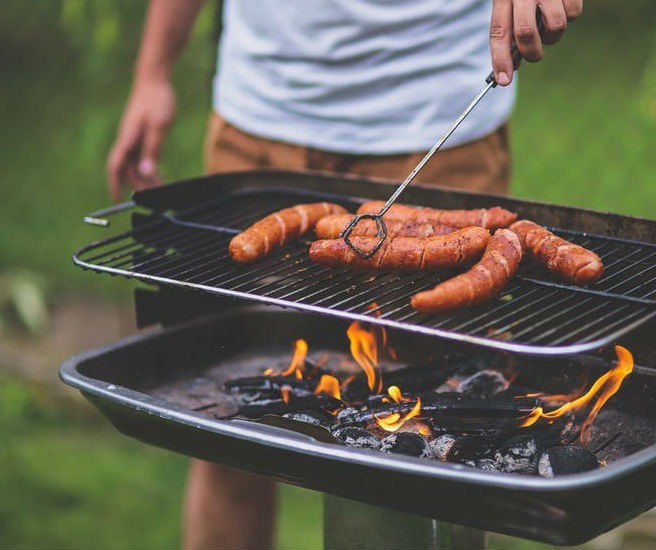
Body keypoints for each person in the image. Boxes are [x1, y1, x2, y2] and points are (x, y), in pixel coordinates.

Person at [106, 1, 582, 548]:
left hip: (440, 127)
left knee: (436, 443)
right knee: (231, 433)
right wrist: (152, 73)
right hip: (260, 121)